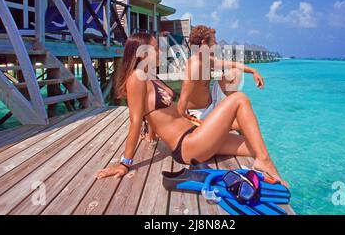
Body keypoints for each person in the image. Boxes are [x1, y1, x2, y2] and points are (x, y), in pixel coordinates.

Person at [96, 33, 288, 188]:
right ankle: (264, 162)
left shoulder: (149, 76)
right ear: (141, 54)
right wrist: (125, 163)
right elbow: (135, 120)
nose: (161, 52)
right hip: (186, 146)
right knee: (239, 99)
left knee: (253, 144)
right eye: (155, 49)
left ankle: (265, 170)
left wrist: (152, 134)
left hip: (196, 134)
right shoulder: (136, 77)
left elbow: (153, 111)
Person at [178, 25, 265, 128]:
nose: (216, 43)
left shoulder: (206, 59)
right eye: (213, 41)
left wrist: (253, 71)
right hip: (201, 113)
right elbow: (183, 100)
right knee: (243, 125)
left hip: (212, 102)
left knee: (235, 72)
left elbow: (233, 64)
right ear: (204, 43)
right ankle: (230, 115)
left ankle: (231, 106)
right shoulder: (195, 65)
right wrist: (189, 120)